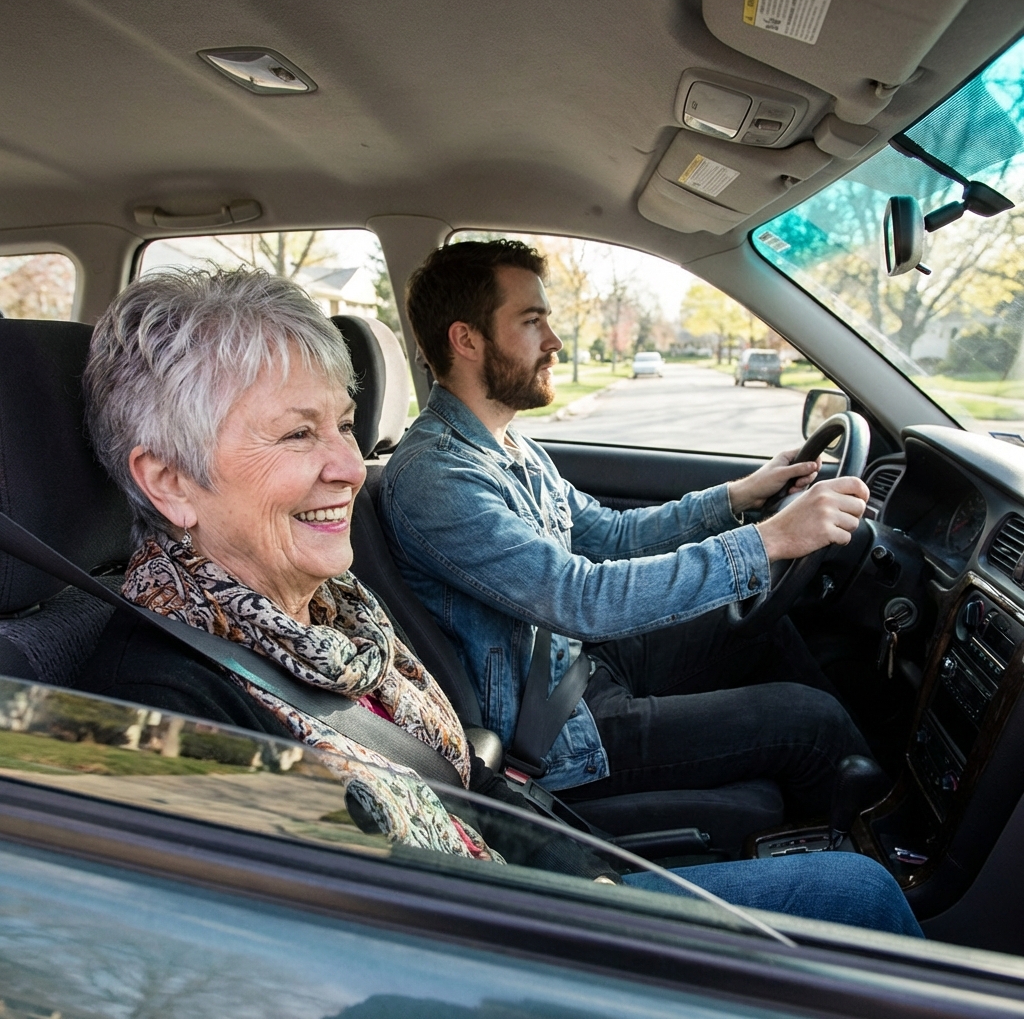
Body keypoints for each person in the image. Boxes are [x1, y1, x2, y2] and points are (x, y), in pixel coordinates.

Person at [79, 267, 920, 937]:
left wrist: (737, 501)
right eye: (298, 434)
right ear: (169, 480)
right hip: (501, 944)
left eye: (343, 423)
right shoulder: (162, 716)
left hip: (507, 869)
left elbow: (594, 537)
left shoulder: (325, 610)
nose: (346, 464)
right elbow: (329, 955)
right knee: (861, 890)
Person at [379, 239, 873, 812]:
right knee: (811, 722)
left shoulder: (509, 447)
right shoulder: (436, 477)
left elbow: (612, 535)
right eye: (532, 321)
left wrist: (740, 496)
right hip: (554, 734)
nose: (555, 342)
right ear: (466, 339)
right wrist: (772, 539)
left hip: (582, 667)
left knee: (763, 627)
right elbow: (578, 597)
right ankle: (893, 857)